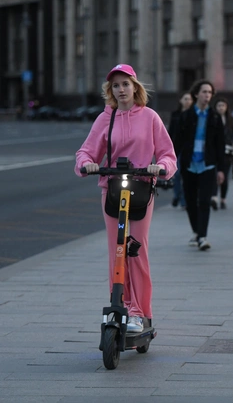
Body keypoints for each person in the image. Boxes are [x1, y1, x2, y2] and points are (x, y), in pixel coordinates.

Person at [75, 64, 177, 332]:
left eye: (125, 84)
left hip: (142, 189)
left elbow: (168, 154)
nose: (121, 90)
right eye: (116, 86)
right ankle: (119, 305)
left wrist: (161, 167)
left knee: (135, 250)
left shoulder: (150, 117)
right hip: (113, 190)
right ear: (111, 90)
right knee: (116, 251)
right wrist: (87, 164)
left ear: (135, 87)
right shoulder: (104, 119)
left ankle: (139, 312)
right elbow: (85, 152)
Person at [174, 79, 226, 250]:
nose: (207, 95)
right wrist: (171, 161)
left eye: (210, 93)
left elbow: (220, 145)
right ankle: (196, 231)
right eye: (204, 92)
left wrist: (221, 169)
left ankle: (202, 236)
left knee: (204, 201)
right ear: (196, 94)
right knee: (190, 201)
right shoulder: (186, 116)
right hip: (189, 164)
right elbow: (177, 141)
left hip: (207, 165)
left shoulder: (215, 117)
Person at [210, 97, 233, 210]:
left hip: (228, 152)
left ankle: (223, 198)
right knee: (215, 175)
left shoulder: (231, 120)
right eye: (219, 106)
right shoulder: (212, 118)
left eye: (223, 106)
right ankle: (214, 197)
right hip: (214, 151)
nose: (221, 108)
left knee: (224, 176)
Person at [168, 92, 194, 209]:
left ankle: (183, 199)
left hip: (189, 149)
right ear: (181, 100)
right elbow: (170, 132)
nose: (188, 101)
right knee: (176, 174)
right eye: (186, 99)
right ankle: (177, 195)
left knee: (186, 175)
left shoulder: (194, 115)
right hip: (176, 148)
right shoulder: (175, 115)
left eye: (190, 99)